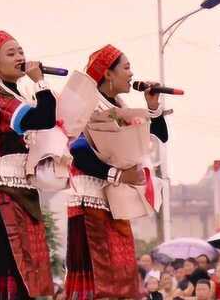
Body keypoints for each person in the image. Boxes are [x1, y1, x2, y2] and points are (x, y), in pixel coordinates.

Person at [65, 44, 169, 299]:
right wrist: (118, 175)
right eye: (126, 67)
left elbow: (159, 137)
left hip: (115, 203)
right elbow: (77, 151)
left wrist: (153, 107)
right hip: (90, 200)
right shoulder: (88, 104)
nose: (132, 74)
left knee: (121, 274)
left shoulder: (121, 105)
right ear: (108, 74)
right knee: (100, 276)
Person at [0, 30, 57, 299]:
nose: (20, 57)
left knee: (29, 273)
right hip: (0, 192)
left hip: (22, 190)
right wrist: (40, 82)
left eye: (21, 51)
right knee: (8, 269)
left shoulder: (17, 96)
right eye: (11, 53)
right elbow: (44, 117)